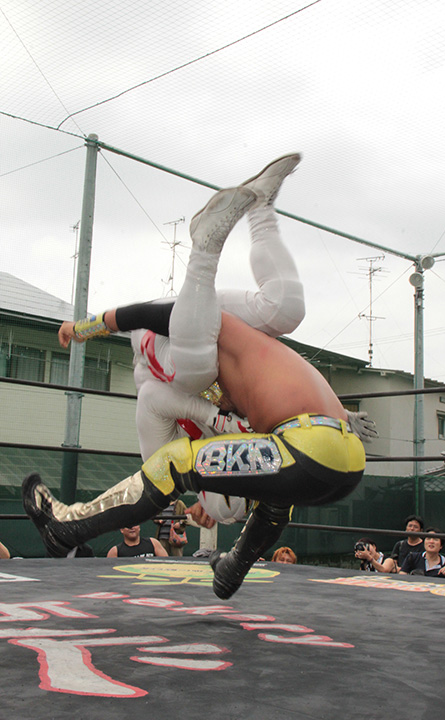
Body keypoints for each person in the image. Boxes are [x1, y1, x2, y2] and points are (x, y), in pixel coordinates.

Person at [23, 154, 367, 601]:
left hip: (308, 449)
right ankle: (232, 568)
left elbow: (152, 315)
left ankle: (67, 527)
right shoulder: (259, 363)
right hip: (341, 461)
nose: (219, 400)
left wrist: (86, 327)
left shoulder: (221, 342)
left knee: (178, 456)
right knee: (283, 313)